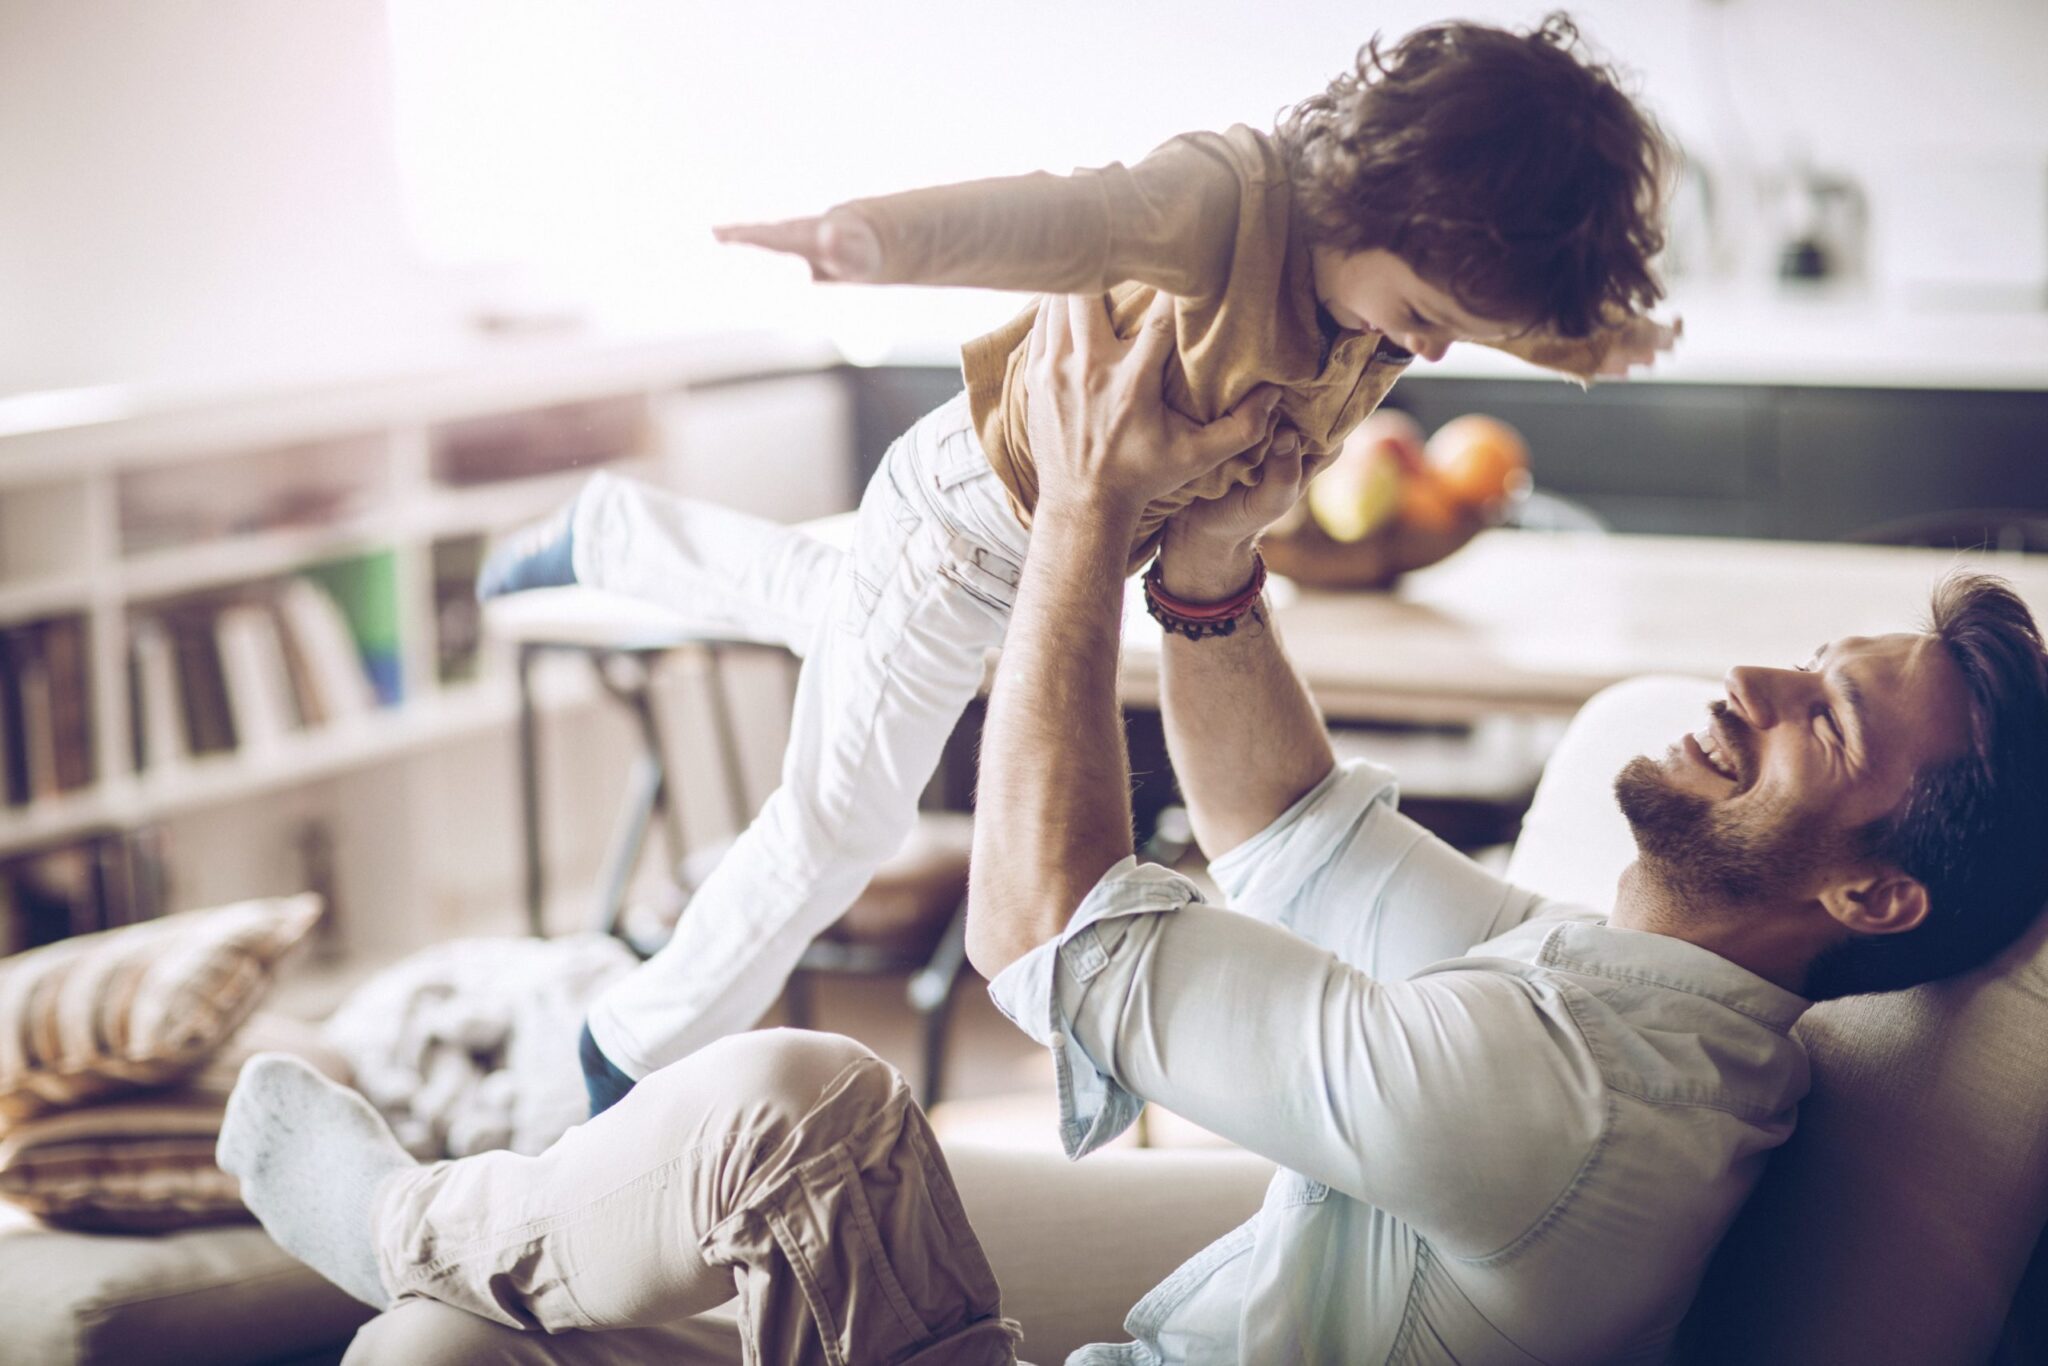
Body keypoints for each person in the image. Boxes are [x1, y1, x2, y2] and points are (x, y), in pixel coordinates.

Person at [220, 294, 2048, 1365]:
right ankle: (464, 1250)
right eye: (1808, 659)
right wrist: (1207, 557)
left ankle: (415, 1212)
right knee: (461, 1347)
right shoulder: (1634, 1008)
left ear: (1868, 887)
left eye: (1826, 717)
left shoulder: (1560, 1102)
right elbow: (1291, 826)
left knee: (809, 1110)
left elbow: (1048, 929)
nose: (1750, 680)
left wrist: (1087, 524)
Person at [480, 15, 1681, 1107]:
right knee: (837, 825)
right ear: (1383, 199)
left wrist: (1592, 340)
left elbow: (1490, 303)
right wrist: (866, 238)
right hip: (963, 532)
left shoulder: (1390, 286)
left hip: (1032, 562)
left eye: (1458, 328)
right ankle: (629, 1039)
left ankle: (610, 534)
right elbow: (1065, 214)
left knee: (839, 613)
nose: (1426, 343)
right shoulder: (1229, 205)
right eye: (1427, 307)